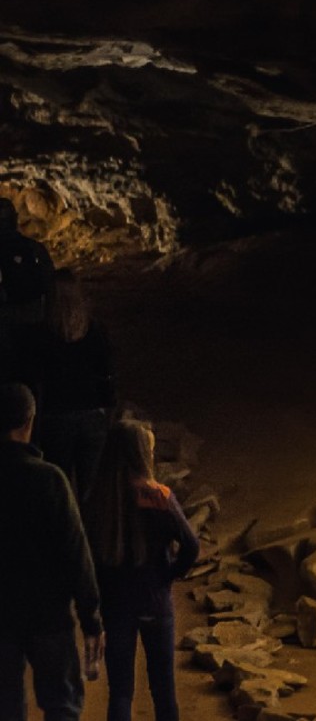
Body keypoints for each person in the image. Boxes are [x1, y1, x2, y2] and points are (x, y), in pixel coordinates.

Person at [0, 382, 104, 721]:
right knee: (61, 704)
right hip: (48, 616)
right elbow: (76, 552)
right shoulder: (49, 481)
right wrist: (91, 618)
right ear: (29, 421)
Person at [84, 420, 198, 721]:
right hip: (154, 601)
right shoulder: (158, 496)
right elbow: (190, 544)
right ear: (140, 454)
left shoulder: (98, 499)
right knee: (163, 690)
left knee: (120, 692)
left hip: (116, 605)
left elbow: (88, 557)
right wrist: (170, 574)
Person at [37, 270, 116, 501]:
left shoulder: (43, 334)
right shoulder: (95, 330)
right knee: (90, 488)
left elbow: (38, 379)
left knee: (59, 487)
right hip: (91, 415)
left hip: (56, 418)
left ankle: (65, 533)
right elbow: (107, 372)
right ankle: (89, 533)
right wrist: (109, 407)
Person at [0, 198, 56, 391]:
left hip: (5, 325)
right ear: (15, 219)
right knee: (31, 380)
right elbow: (51, 283)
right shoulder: (34, 248)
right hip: (33, 319)